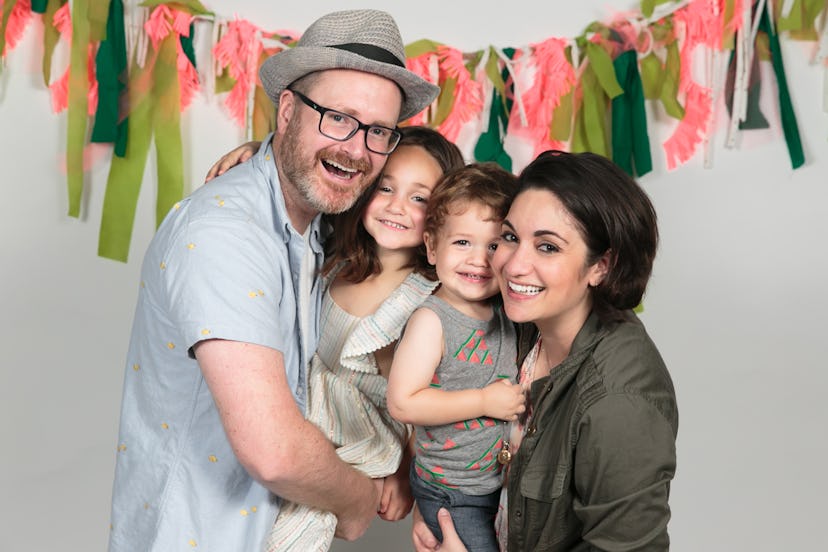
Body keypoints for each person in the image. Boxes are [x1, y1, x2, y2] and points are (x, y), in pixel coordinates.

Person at [106, 9, 440, 552]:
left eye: (378, 131)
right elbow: (274, 452)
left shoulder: (327, 230)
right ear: (287, 111)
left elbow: (452, 220)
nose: (355, 149)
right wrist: (357, 503)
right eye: (337, 117)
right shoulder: (225, 233)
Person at [413, 151, 678, 552]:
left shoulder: (621, 399)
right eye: (510, 237)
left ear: (601, 266)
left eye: (548, 248)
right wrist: (433, 501)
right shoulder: (511, 323)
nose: (514, 266)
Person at [262, 126, 465, 551]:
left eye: (419, 198)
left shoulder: (423, 300)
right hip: (303, 412)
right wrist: (252, 153)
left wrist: (406, 471)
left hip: (357, 438)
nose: (396, 207)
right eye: (386, 187)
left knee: (296, 529)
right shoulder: (339, 252)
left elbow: (424, 398)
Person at [386, 163, 525, 552]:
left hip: (491, 488)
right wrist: (484, 401)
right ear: (432, 247)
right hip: (452, 493)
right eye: (462, 243)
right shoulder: (431, 321)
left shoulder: (504, 310)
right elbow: (403, 402)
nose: (479, 260)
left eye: (494, 245)